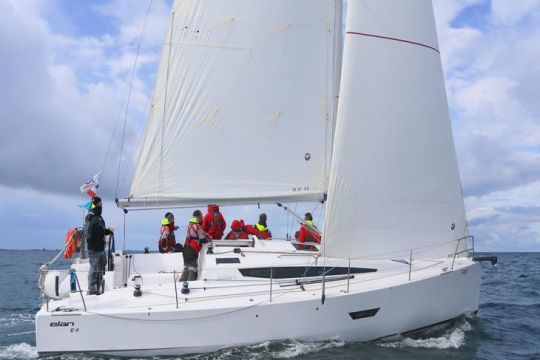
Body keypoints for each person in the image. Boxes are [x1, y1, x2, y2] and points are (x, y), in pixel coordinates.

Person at [83, 196, 113, 295]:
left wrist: (108, 231)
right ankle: (91, 288)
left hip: (101, 247)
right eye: (100, 204)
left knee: (102, 264)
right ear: (96, 204)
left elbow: (102, 230)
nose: (102, 205)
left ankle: (99, 285)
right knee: (94, 267)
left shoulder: (99, 217)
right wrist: (90, 243)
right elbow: (87, 230)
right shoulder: (90, 216)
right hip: (94, 247)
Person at [180, 210, 209, 281]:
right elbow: (203, 239)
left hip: (186, 249)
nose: (202, 217)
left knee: (186, 268)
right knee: (192, 269)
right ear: (198, 216)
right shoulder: (198, 227)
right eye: (201, 215)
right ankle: (191, 286)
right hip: (193, 250)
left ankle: (180, 284)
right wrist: (208, 238)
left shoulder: (189, 226)